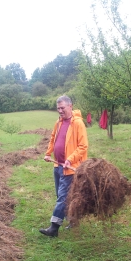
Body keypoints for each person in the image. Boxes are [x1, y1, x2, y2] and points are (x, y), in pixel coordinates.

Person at [40, 96, 88, 237]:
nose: (60, 111)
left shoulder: (78, 123)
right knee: (63, 196)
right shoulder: (59, 122)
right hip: (58, 165)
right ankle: (73, 220)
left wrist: (70, 159)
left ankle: (54, 227)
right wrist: (48, 153)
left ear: (70, 106)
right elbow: (53, 138)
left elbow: (83, 146)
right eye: (58, 108)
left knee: (62, 197)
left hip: (70, 167)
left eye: (62, 108)